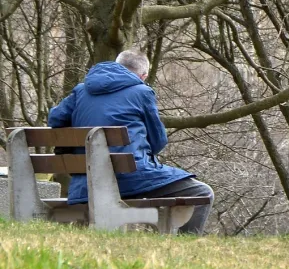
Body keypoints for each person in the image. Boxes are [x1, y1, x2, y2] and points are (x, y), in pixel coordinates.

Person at [47, 50, 214, 234]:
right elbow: (158, 141)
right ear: (143, 76)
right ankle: (187, 246)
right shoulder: (142, 92)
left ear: (117, 65)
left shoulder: (81, 91)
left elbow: (55, 119)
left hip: (86, 184)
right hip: (131, 180)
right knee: (202, 193)